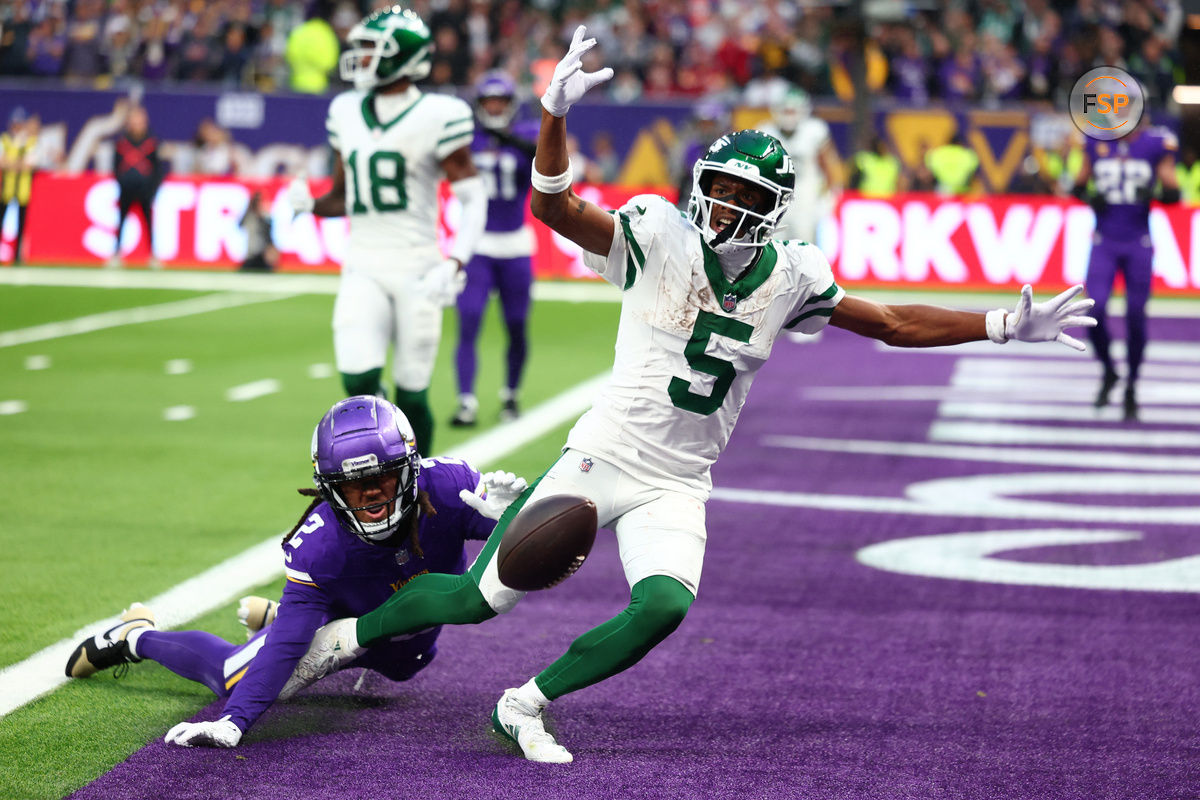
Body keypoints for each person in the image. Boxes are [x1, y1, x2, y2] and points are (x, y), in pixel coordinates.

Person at [283, 26, 1097, 764]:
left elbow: (887, 320)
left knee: (664, 606)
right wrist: (553, 115)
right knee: (476, 599)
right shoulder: (657, 235)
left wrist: (995, 323)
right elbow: (552, 206)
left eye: (747, 199)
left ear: (774, 212)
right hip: (603, 453)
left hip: (678, 478)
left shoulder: (790, 276)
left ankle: (526, 701)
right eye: (720, 188)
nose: (726, 206)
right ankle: (345, 638)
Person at [63, 395, 527, 748]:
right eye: (353, 485)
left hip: (405, 637)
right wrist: (234, 719)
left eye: (380, 478)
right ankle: (134, 637)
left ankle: (276, 615)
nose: (370, 496)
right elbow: (288, 648)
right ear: (328, 489)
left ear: (408, 467)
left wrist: (512, 521)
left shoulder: (450, 489)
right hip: (338, 623)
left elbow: (534, 550)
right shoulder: (320, 544)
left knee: (407, 664)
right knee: (235, 676)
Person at [287, 6, 486, 455]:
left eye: (372, 49)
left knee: (412, 390)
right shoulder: (345, 111)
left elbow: (474, 198)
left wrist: (455, 261)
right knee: (357, 382)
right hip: (362, 263)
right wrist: (312, 205)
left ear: (405, 57)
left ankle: (423, 492)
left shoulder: (439, 113)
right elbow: (345, 197)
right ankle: (379, 475)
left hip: (417, 264)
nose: (360, 57)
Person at [1072, 120, 1182, 421]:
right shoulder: (1095, 142)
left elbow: (1174, 193)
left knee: (1136, 315)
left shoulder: (1155, 144)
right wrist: (1087, 196)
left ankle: (1132, 384)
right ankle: (1109, 371)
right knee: (1093, 312)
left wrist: (1156, 194)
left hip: (1138, 242)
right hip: (1104, 241)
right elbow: (1078, 186)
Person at [451, 70, 538, 427]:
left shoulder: (526, 133)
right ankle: (466, 401)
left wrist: (503, 137)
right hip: (477, 244)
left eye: (501, 101)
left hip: (515, 243)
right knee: (468, 321)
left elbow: (545, 155)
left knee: (516, 324)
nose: (495, 107)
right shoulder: (467, 138)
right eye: (489, 102)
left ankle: (511, 395)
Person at [757, 85, 842, 244]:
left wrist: (831, 194)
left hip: (805, 199)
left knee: (804, 248)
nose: (789, 115)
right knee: (773, 247)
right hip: (775, 201)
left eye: (793, 111)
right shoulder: (766, 132)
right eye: (785, 110)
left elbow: (828, 164)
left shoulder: (814, 131)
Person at [108, 105, 163, 269]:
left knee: (148, 222)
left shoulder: (151, 143)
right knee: (122, 221)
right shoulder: (122, 143)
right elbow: (115, 167)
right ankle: (117, 254)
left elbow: (158, 169)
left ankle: (153, 256)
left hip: (145, 190)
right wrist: (122, 182)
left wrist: (153, 189)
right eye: (134, 120)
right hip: (126, 189)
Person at [0, 107, 37, 265]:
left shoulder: (29, 141)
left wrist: (11, 163)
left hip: (23, 189)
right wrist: (17, 163)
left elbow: (30, 164)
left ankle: (18, 256)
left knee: (21, 224)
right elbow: (2, 163)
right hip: (6, 189)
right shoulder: (5, 140)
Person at [239, 191, 277, 272]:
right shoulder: (249, 216)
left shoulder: (265, 218)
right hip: (251, 254)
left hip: (262, 255)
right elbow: (240, 224)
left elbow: (268, 235)